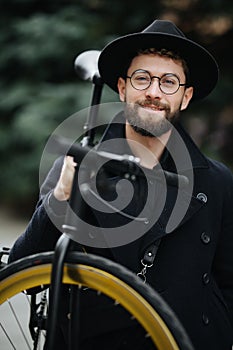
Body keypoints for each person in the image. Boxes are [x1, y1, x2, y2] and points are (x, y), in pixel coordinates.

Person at [8, 19, 233, 350]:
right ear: (123, 88)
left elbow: (228, 283)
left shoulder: (217, 182)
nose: (154, 92)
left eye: (169, 82)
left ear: (185, 97)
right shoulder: (75, 169)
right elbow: (22, 270)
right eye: (143, 78)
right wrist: (61, 198)